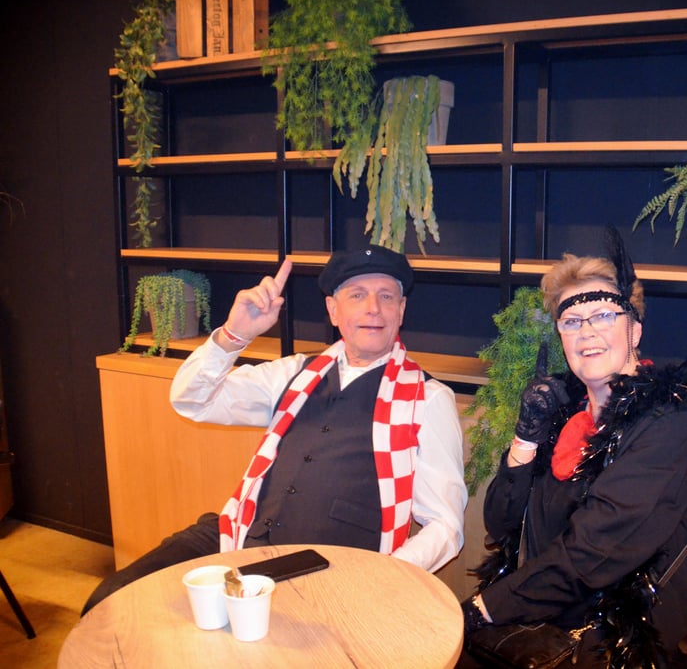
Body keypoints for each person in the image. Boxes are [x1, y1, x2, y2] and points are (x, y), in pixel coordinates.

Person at [83, 245, 467, 614]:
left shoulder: (428, 399)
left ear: (401, 310)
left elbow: (445, 525)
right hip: (237, 532)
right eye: (357, 295)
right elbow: (193, 400)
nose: (373, 308)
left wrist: (383, 574)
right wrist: (233, 335)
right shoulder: (293, 373)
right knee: (112, 598)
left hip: (327, 566)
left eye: (386, 296)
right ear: (333, 311)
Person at [461, 228, 687, 668]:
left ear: (635, 331)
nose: (586, 331)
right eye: (572, 321)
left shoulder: (669, 422)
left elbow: (593, 552)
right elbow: (501, 523)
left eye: (604, 315)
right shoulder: (565, 415)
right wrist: (526, 436)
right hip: (552, 619)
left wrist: (483, 610)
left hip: (630, 639)